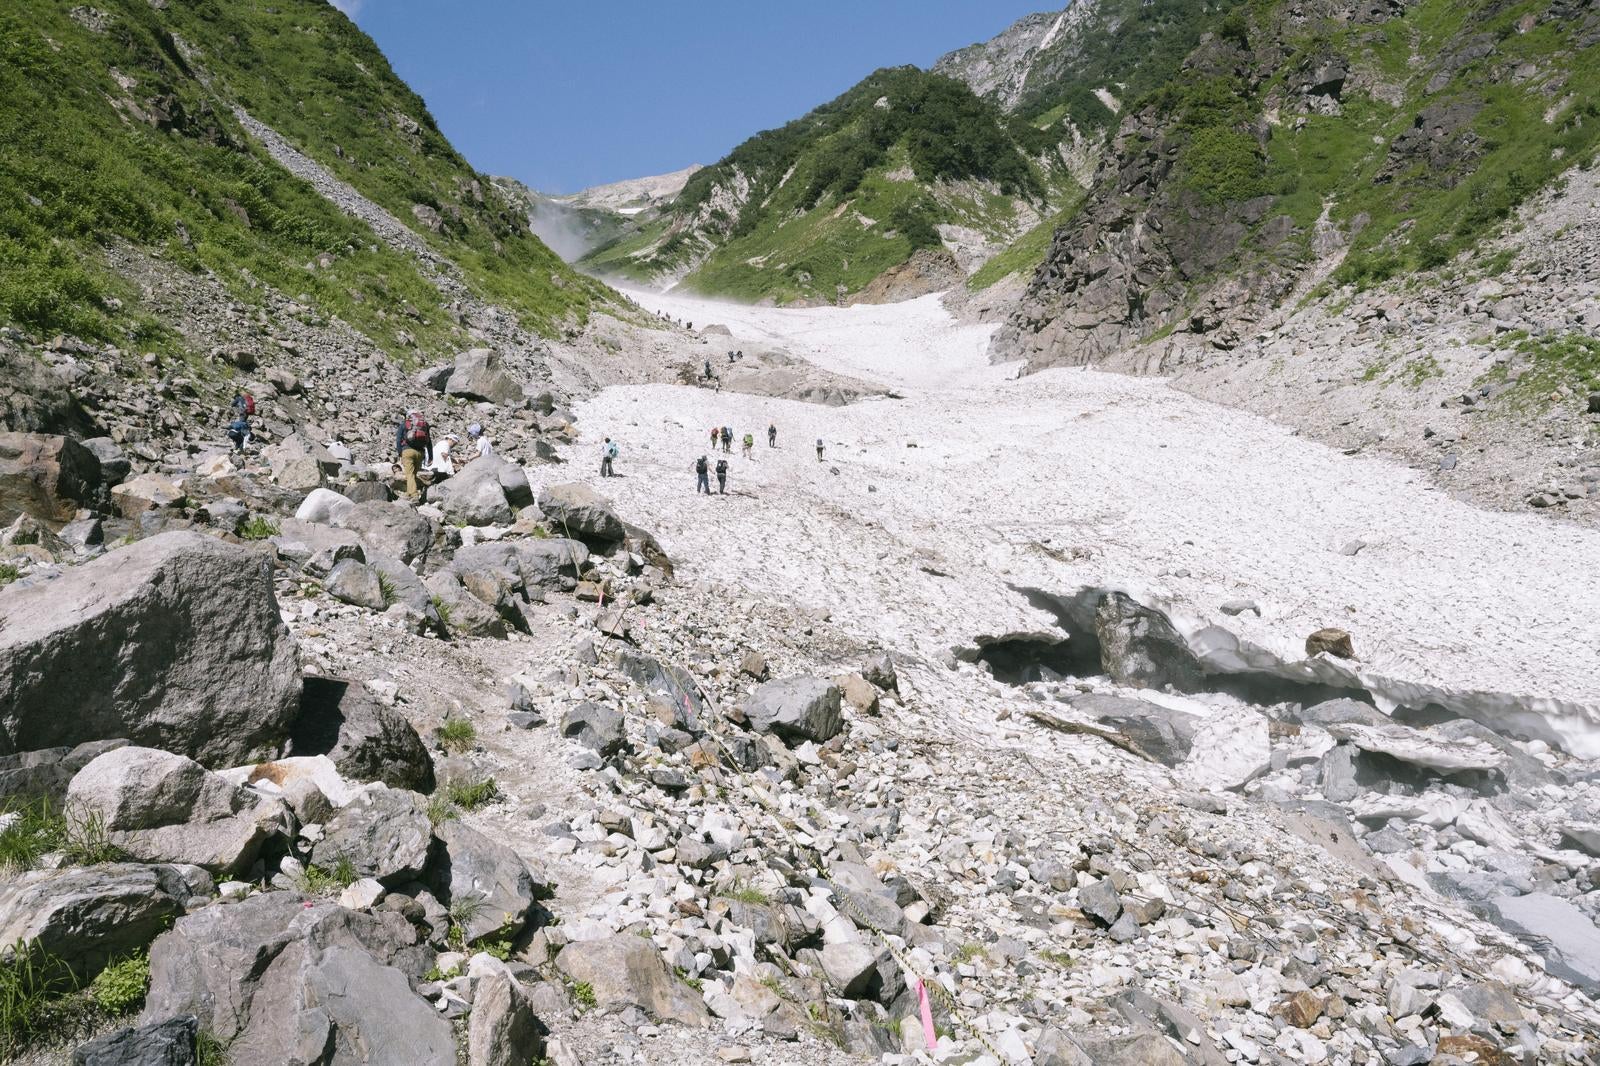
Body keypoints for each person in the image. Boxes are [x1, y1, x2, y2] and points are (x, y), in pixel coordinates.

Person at [395, 409, 433, 499]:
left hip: (408, 451)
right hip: (420, 453)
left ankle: (414, 496)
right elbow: (429, 441)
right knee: (413, 474)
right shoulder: (425, 425)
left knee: (409, 474)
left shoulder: (405, 424)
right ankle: (408, 494)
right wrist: (430, 456)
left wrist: (400, 453)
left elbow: (398, 440)